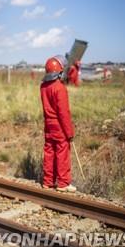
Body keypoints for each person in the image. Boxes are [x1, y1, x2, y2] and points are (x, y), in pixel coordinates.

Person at [41, 56, 76, 192]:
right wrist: (69, 132)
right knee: (62, 153)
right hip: (59, 126)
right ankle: (63, 183)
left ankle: (48, 181)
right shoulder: (59, 88)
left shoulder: (43, 86)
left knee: (49, 152)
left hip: (48, 125)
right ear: (59, 71)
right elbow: (63, 113)